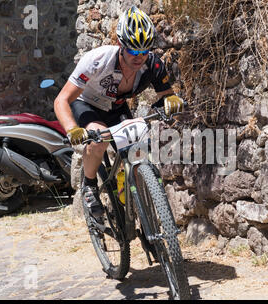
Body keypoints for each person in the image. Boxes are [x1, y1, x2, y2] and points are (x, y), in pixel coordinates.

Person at [54, 6, 184, 222]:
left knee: (137, 151)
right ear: (120, 45)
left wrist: (171, 101)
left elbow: (166, 95)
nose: (139, 57)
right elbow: (61, 100)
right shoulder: (97, 60)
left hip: (116, 107)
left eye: (144, 51)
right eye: (133, 51)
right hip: (86, 104)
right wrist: (72, 129)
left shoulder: (152, 63)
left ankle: (128, 200)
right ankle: (89, 185)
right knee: (99, 138)